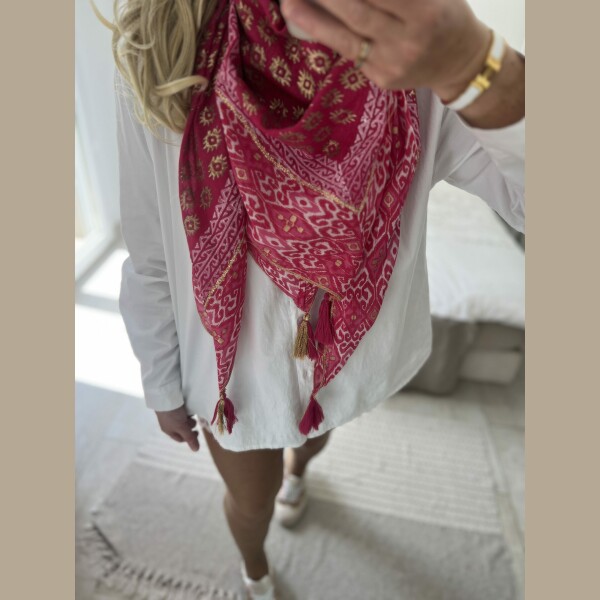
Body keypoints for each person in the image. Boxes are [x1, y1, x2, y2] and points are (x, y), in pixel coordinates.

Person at [98, 0, 524, 598]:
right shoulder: (159, 42)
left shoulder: (406, 41)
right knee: (253, 502)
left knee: (316, 437)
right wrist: (160, 382)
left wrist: (479, 66)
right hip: (230, 383)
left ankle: (301, 470)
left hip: (345, 356)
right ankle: (255, 570)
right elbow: (149, 251)